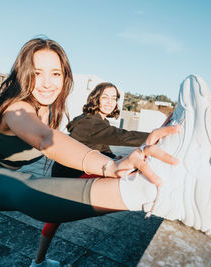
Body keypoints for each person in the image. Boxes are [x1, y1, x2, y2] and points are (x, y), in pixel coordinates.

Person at [0, 37, 181, 267]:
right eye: (37, 73)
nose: (48, 83)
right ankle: (138, 192)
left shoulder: (49, 111)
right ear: (24, 75)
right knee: (18, 185)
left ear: (65, 77)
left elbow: (67, 140)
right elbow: (44, 138)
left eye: (56, 73)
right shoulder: (18, 108)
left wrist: (151, 137)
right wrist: (110, 167)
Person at [33, 82, 158, 266]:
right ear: (96, 98)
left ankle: (38, 261)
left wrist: (116, 157)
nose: (109, 102)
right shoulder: (90, 122)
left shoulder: (98, 121)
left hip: (77, 172)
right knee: (125, 177)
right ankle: (148, 198)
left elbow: (101, 148)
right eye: (105, 97)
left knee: (54, 219)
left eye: (114, 98)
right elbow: (122, 135)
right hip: (71, 176)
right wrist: (157, 137)